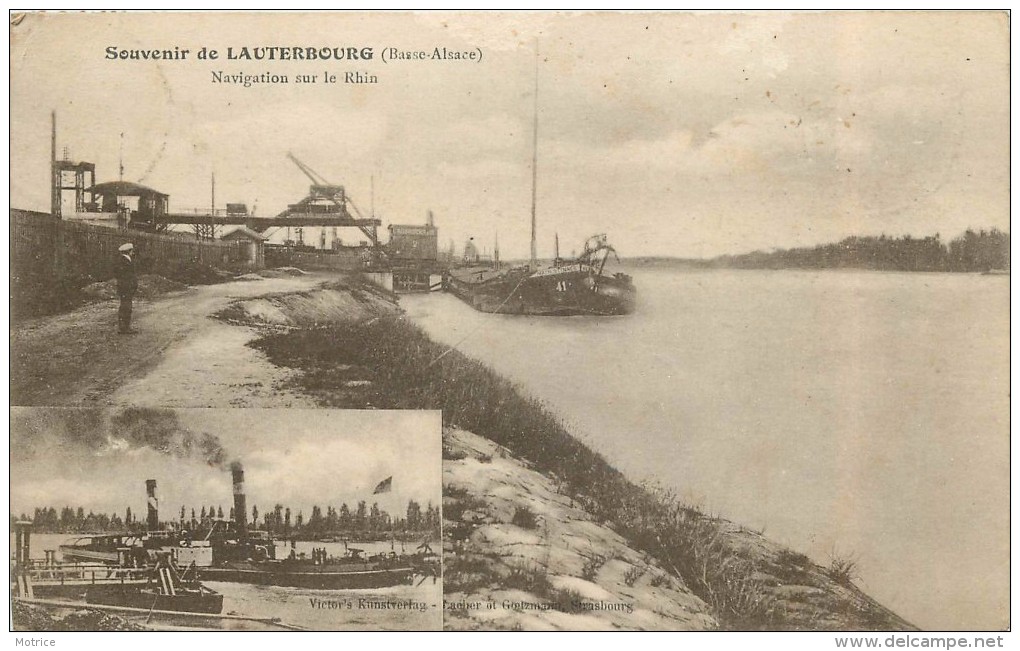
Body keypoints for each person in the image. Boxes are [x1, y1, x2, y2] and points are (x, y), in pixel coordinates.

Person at [115, 242, 138, 334]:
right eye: (132, 250)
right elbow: (127, 276)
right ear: (129, 251)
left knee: (125, 306)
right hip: (126, 288)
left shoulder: (124, 260)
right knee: (126, 307)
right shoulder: (124, 261)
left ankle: (124, 327)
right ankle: (124, 328)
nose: (133, 252)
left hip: (124, 287)